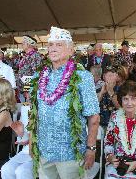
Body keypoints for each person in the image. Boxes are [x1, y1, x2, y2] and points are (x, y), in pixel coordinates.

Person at [29, 26, 100, 179]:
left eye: (59, 44)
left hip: (70, 154)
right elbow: (34, 114)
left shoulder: (83, 77)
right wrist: (31, 142)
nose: (53, 48)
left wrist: (91, 149)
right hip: (44, 151)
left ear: (71, 50)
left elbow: (93, 118)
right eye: (50, 45)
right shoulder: (40, 76)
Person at [18, 35, 42, 102]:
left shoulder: (35, 56)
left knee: (29, 109)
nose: (22, 44)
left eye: (24, 42)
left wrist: (27, 89)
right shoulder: (26, 56)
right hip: (25, 89)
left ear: (29, 44)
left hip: (30, 90)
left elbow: (36, 75)